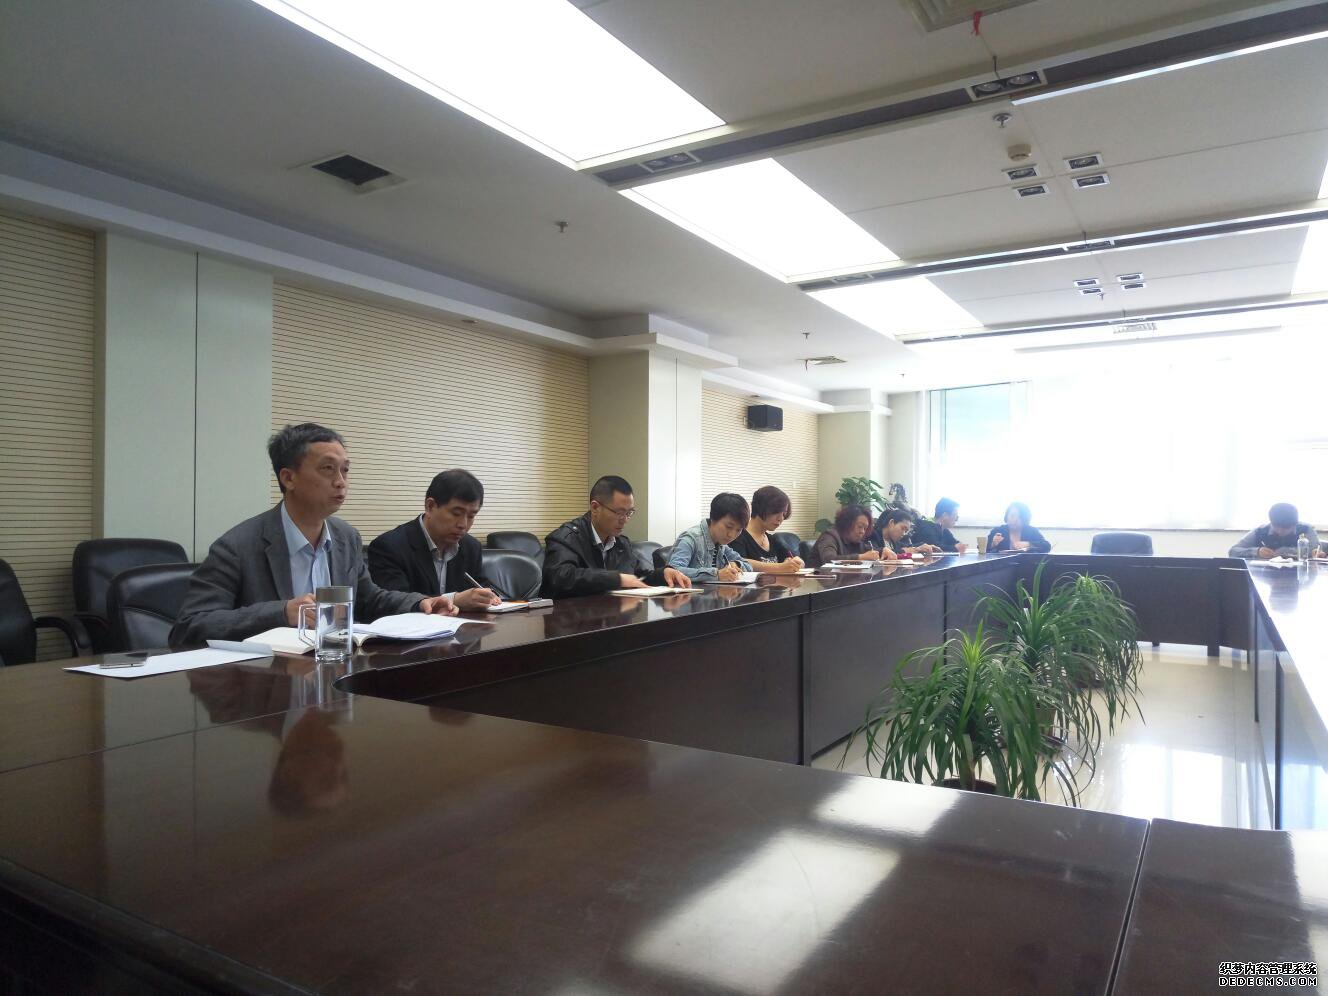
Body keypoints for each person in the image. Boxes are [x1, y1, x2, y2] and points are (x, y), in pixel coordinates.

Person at [171, 423, 454, 644]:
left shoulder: (346, 537)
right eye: (328, 469)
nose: (341, 482)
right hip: (268, 680)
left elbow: (369, 599)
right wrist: (282, 613)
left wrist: (420, 603)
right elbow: (190, 625)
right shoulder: (237, 546)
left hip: (335, 669)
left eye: (345, 470)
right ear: (288, 478)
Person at [367, 469, 502, 612]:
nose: (463, 524)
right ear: (430, 506)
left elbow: (481, 586)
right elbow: (392, 604)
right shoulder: (389, 547)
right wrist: (453, 600)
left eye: (471, 516)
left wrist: (489, 596)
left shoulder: (471, 547)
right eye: (456, 513)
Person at [542, 476, 692, 597]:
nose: (624, 520)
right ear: (595, 507)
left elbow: (637, 577)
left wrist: (663, 574)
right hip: (571, 619)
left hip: (611, 617)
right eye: (619, 513)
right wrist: (616, 579)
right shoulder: (566, 538)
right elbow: (561, 577)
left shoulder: (621, 543)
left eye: (629, 513)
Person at [668, 493, 755, 582]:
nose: (731, 535)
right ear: (713, 518)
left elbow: (748, 565)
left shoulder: (721, 544)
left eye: (738, 530)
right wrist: (716, 574)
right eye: (728, 527)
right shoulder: (690, 539)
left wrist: (736, 564)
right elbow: (673, 571)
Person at [728, 485, 805, 574]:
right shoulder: (738, 536)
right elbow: (739, 562)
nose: (780, 518)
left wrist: (797, 563)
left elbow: (792, 559)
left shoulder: (773, 540)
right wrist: (780, 567)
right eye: (776, 512)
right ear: (761, 508)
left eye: (784, 514)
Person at [1229, 503, 1322, 560]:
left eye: (1286, 528)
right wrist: (1257, 552)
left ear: (1295, 524)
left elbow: (1317, 552)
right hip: (1267, 575)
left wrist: (1317, 554)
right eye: (1276, 526)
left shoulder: (1306, 530)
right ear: (1271, 522)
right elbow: (1233, 551)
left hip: (1299, 574)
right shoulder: (1261, 531)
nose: (1280, 531)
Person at [812, 505, 881, 567]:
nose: (862, 531)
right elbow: (829, 559)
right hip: (819, 576)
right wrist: (860, 557)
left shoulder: (855, 541)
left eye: (865, 528)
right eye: (860, 526)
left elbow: (870, 551)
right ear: (847, 523)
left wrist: (883, 551)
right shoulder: (829, 536)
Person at [987, 502, 1052, 553]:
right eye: (1012, 515)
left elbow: (1047, 546)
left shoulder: (1031, 531)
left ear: (1025, 519)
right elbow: (983, 548)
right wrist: (993, 544)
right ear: (1007, 516)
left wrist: (1028, 544)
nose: (1014, 520)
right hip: (1001, 565)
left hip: (1025, 564)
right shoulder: (998, 531)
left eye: (1019, 517)